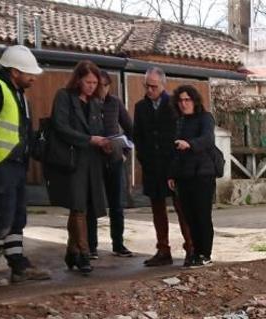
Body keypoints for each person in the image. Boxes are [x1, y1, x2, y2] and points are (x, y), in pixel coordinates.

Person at [0, 45, 51, 286]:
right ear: (15, 71)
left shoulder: (18, 94)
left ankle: (18, 265)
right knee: (2, 217)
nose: (33, 78)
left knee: (17, 217)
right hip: (1, 164)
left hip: (17, 164)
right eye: (29, 73)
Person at [43, 60, 109, 275]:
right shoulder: (64, 96)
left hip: (92, 161)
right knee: (78, 205)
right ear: (79, 79)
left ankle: (72, 250)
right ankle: (83, 252)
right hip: (71, 159)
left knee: (83, 206)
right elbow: (60, 126)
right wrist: (89, 139)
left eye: (95, 82)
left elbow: (101, 128)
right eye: (88, 81)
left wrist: (107, 143)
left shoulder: (96, 102)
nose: (91, 86)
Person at [132, 67, 193, 267]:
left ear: (163, 85)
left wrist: (177, 163)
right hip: (151, 165)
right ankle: (163, 250)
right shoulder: (141, 107)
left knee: (182, 207)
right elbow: (138, 136)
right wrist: (143, 158)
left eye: (154, 86)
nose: (150, 90)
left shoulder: (174, 105)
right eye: (147, 86)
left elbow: (182, 132)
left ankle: (191, 248)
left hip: (172, 164)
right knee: (157, 209)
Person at [167, 85, 217, 268]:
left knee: (202, 214)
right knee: (189, 216)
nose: (184, 103)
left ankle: (205, 253)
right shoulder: (179, 121)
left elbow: (207, 139)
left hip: (203, 173)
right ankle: (196, 252)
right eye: (180, 100)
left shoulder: (205, 118)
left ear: (194, 101)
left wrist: (189, 144)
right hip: (184, 175)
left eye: (187, 100)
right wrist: (171, 174)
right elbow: (174, 151)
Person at [86, 70, 134, 259]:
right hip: (94, 160)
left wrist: (124, 152)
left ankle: (118, 244)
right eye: (100, 85)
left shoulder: (115, 103)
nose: (103, 89)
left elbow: (130, 129)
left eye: (106, 86)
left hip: (114, 160)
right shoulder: (87, 103)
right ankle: (91, 247)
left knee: (117, 204)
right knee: (93, 204)